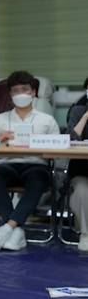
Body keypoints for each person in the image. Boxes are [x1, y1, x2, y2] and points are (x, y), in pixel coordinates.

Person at [0, 71, 60, 251]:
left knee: (39, 179)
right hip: (7, 164)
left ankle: (7, 228)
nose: (20, 94)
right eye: (15, 91)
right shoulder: (0, 119)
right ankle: (16, 230)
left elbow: (57, 148)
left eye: (24, 90)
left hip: (36, 165)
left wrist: (43, 146)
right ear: (10, 95)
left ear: (33, 92)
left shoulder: (46, 120)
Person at [65, 76, 88, 251]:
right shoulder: (78, 110)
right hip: (82, 171)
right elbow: (70, 140)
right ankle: (86, 235)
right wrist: (86, 116)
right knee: (81, 190)